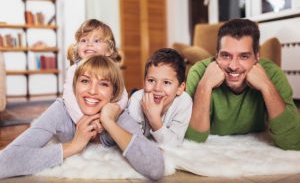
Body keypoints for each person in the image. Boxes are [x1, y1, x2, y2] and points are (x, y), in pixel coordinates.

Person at [0, 55, 164, 180]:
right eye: (85, 81)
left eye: (103, 84)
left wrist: (109, 122)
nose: (92, 91)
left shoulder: (118, 115)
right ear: (75, 86)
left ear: (113, 93)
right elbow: (4, 163)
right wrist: (73, 146)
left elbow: (156, 168)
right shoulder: (61, 110)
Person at [185, 18, 300, 150]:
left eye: (244, 56)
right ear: (216, 55)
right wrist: (204, 85)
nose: (233, 66)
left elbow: (294, 140)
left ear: (257, 57)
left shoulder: (272, 73)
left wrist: (266, 87)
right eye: (226, 56)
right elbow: (193, 141)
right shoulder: (199, 72)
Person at [64, 19, 128, 124]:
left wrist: (114, 112)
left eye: (96, 41)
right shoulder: (74, 69)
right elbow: (69, 97)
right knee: (60, 107)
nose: (89, 44)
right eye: (84, 40)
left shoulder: (111, 70)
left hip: (105, 113)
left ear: (109, 50)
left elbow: (123, 95)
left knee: (126, 120)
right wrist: (83, 121)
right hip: (79, 114)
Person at [128, 48, 192, 146]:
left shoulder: (184, 102)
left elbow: (174, 144)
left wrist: (154, 119)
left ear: (180, 88)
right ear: (144, 82)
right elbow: (132, 142)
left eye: (166, 82)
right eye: (151, 80)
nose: (157, 88)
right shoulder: (136, 100)